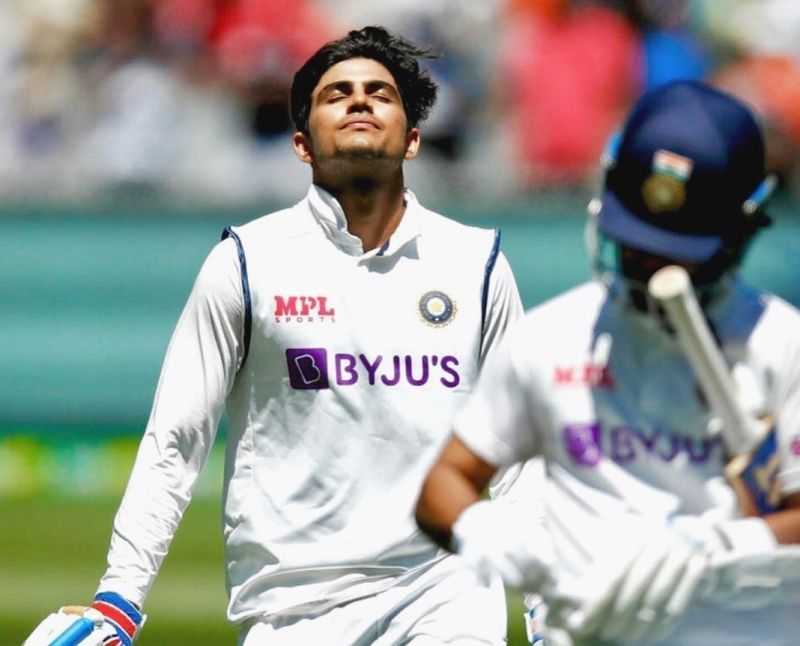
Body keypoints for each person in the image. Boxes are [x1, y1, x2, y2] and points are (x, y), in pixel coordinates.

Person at [26, 25, 523, 645]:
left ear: (414, 138)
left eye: (380, 93)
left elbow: (519, 453)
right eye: (338, 94)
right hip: (292, 607)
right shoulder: (246, 261)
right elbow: (178, 438)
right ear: (301, 144)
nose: (360, 101)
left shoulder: (476, 263)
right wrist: (120, 598)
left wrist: (548, 607)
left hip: (447, 597)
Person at [415, 80, 800, 645]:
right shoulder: (550, 338)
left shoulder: (782, 345)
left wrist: (723, 547)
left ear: (743, 228)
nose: (649, 269)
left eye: (676, 254)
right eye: (638, 246)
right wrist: (506, 545)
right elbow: (445, 482)